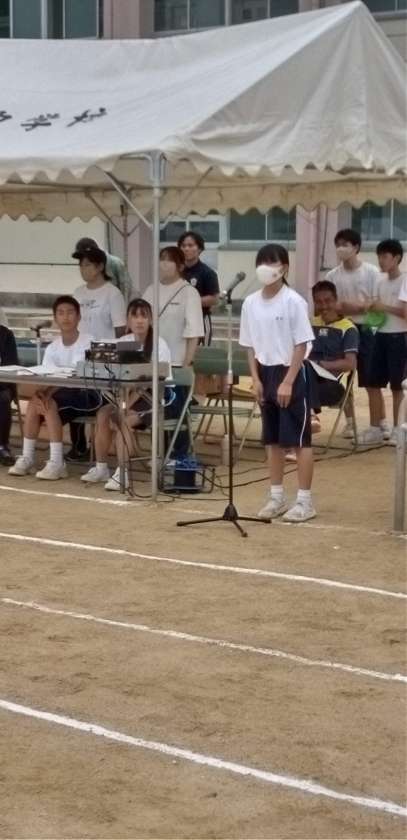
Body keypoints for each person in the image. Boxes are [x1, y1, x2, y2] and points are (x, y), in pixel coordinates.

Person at [240, 243, 316, 523]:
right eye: (262, 262)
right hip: (265, 372)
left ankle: (305, 501)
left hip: (290, 371)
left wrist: (288, 381)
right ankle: (276, 496)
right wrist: (255, 378)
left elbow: (301, 344)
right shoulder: (250, 303)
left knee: (299, 440)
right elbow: (249, 345)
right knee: (271, 439)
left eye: (272, 262)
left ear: (284, 268)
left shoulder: (293, 301)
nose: (266, 268)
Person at [81, 298, 172, 491]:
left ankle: (122, 474)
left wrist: (126, 406)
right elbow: (115, 372)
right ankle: (101, 468)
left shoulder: (159, 344)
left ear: (151, 320)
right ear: (128, 320)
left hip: (152, 399)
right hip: (125, 397)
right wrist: (122, 403)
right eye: (135, 316)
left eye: (144, 316)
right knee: (103, 414)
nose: (139, 320)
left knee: (124, 420)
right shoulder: (124, 343)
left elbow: (153, 382)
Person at [9, 296, 101, 480]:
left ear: (79, 316)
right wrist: (40, 393)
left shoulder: (88, 341)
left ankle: (57, 462)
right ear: (55, 318)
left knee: (48, 402)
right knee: (36, 401)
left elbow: (73, 375)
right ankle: (27, 457)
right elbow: (46, 375)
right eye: (61, 313)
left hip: (86, 394)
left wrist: (47, 394)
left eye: (70, 312)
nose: (66, 317)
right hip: (60, 394)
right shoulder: (52, 347)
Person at [325, 228, 388, 443]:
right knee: (343, 376)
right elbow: (333, 306)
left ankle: (380, 422)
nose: (341, 248)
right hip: (342, 328)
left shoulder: (371, 272)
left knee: (371, 377)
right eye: (338, 245)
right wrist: (354, 307)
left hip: (367, 328)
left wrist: (354, 307)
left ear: (356, 247)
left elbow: (377, 304)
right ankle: (350, 421)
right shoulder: (332, 276)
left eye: (345, 244)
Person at [144, 246, 204, 459]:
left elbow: (194, 332)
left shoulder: (189, 292)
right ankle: (159, 455)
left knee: (176, 413)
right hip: (152, 363)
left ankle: (179, 457)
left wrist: (187, 364)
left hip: (177, 364)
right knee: (155, 411)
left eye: (169, 260)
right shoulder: (151, 290)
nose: (164, 264)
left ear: (180, 265)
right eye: (162, 259)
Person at [69, 243, 127, 461]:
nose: (83, 269)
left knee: (97, 400)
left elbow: (120, 330)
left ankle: (99, 447)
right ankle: (78, 445)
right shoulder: (78, 293)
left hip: (104, 358)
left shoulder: (113, 294)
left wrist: (114, 356)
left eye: (87, 265)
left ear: (100, 266)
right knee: (72, 392)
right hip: (79, 355)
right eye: (80, 265)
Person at [364, 239, 407, 446]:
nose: (381, 260)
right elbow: (377, 310)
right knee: (372, 383)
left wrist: (384, 307)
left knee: (398, 386)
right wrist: (372, 310)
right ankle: (375, 428)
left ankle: (399, 429)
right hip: (379, 335)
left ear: (397, 258)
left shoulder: (405, 280)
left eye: (385, 256)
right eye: (379, 256)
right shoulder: (379, 281)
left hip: (400, 336)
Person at [309, 281, 359, 421]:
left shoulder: (348, 329)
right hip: (307, 378)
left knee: (299, 382)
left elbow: (350, 364)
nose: (324, 306)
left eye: (328, 301)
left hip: (332, 386)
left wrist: (319, 365)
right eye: (319, 302)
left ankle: (310, 416)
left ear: (336, 300)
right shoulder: (310, 323)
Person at [178, 231, 220, 345]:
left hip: (200, 321)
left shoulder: (207, 273)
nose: (186, 249)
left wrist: (189, 301)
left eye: (190, 245)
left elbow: (214, 299)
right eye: (183, 246)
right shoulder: (176, 271)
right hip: (178, 322)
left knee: (200, 354)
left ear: (200, 249)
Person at [73, 237, 132, 303]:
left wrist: (122, 302)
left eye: (87, 264)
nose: (83, 267)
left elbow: (126, 286)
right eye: (81, 264)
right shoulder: (78, 292)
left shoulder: (116, 263)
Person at [0, 322, 19, 466]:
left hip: (2, 385)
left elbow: (11, 366)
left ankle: (2, 446)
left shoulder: (5, 334)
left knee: (2, 397)